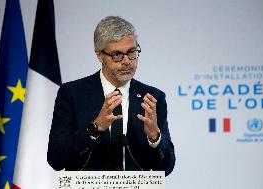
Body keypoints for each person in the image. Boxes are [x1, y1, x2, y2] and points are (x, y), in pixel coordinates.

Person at [47, 16, 175, 176]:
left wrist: (155, 137)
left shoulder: (152, 97)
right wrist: (95, 128)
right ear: (99, 55)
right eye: (117, 55)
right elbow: (55, 159)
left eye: (132, 52)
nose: (127, 61)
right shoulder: (72, 93)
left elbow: (166, 168)